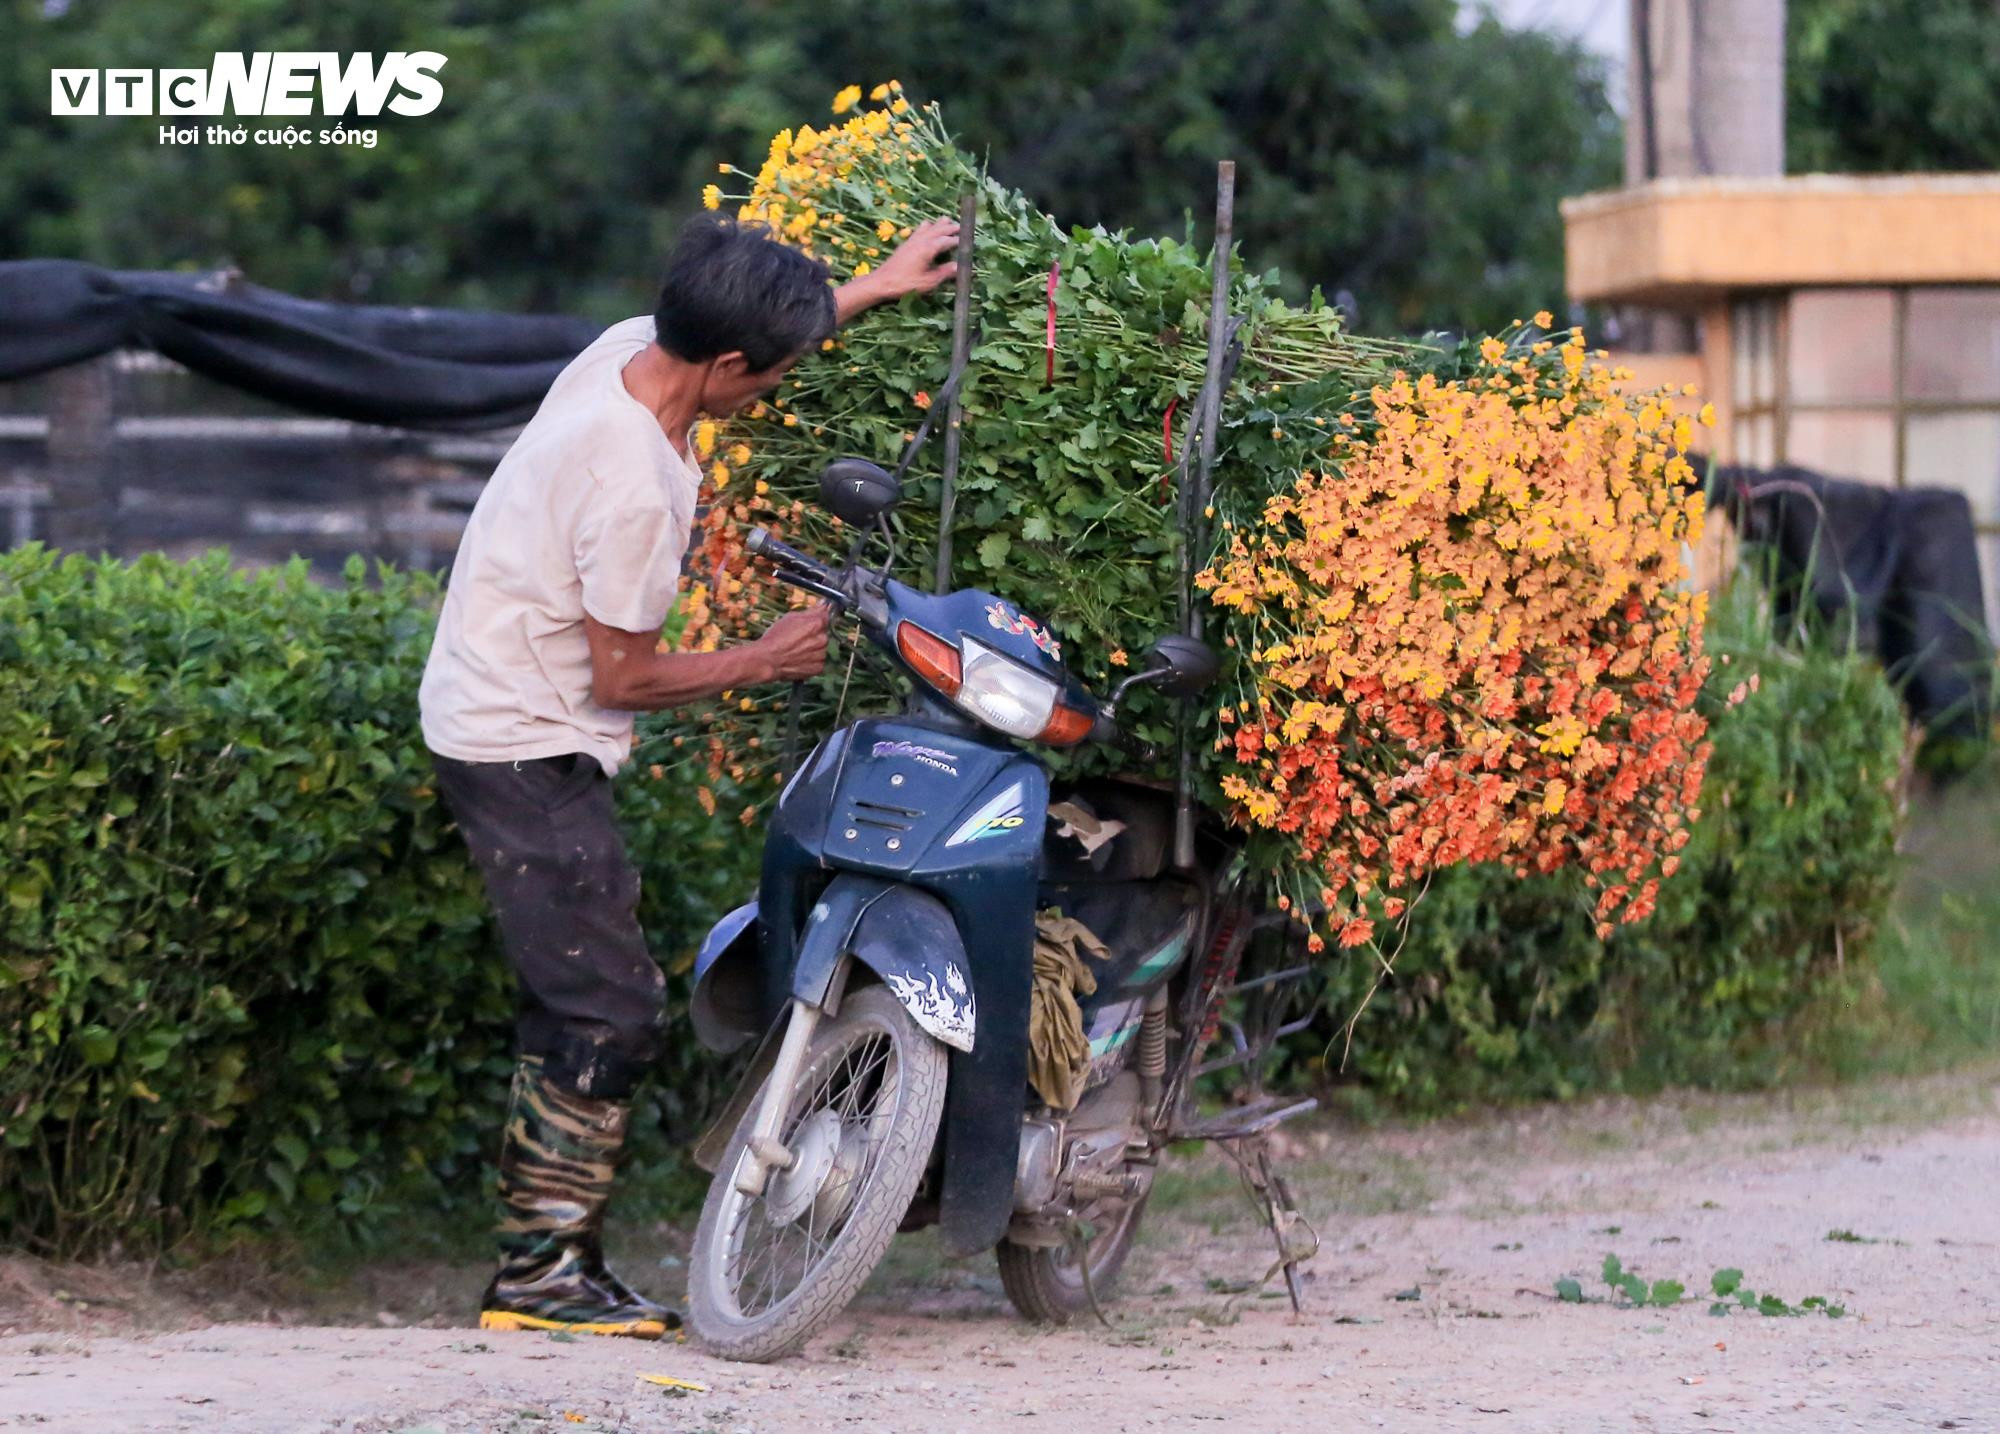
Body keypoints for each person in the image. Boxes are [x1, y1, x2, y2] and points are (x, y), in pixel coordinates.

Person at [419, 211, 959, 1338]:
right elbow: (622, 676)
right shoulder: (631, 481)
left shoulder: (626, 350)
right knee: (605, 1005)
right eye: (772, 371)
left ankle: (544, 1263)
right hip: (517, 737)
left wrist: (872, 286)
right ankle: (539, 1276)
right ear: (728, 366)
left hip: (502, 705)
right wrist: (764, 658)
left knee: (588, 992)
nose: (775, 388)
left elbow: (739, 336)